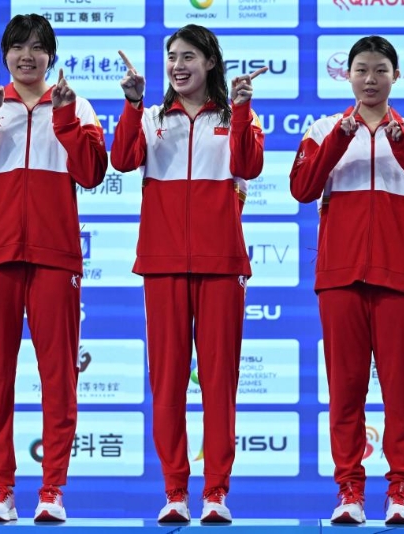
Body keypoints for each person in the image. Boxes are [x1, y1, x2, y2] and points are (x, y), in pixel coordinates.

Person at [289, 35, 404, 525]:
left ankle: (401, 492)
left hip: (399, 278)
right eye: (361, 69)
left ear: (395, 76)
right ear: (348, 75)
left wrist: (402, 144)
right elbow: (302, 187)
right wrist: (340, 138)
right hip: (339, 278)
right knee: (345, 392)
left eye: (380, 70)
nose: (370, 79)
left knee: (401, 393)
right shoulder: (324, 129)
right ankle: (349, 492)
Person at [0, 13, 107, 523]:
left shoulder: (76, 105)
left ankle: (52, 490)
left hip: (54, 255)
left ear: (51, 57)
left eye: (38, 47)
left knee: (58, 376)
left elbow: (92, 174)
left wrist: (64, 118)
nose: (27, 56)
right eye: (18, 47)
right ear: (5, 55)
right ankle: (1, 491)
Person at [111, 25, 265, 524]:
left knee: (219, 383)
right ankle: (175, 491)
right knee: (168, 382)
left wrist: (241, 108)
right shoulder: (151, 118)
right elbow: (122, 159)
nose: (178, 66)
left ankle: (216, 492)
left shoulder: (236, 117)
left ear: (211, 62)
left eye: (189, 56)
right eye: (172, 57)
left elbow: (250, 165)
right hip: (162, 265)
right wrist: (132, 104)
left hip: (222, 265)